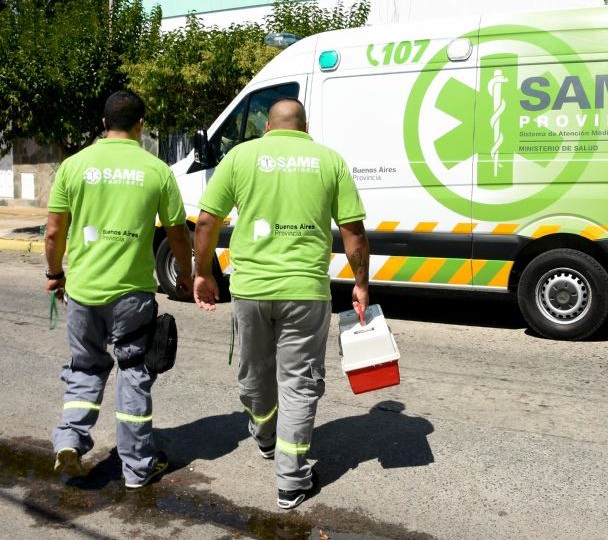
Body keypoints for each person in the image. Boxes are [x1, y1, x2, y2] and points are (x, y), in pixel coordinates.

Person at [193, 98, 369, 510]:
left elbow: (205, 221)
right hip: (306, 292)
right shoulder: (329, 160)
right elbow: (354, 233)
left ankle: (267, 436)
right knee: (298, 382)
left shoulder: (240, 157)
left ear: (267, 127)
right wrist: (361, 284)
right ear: (305, 127)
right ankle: (290, 482)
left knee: (254, 372)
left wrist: (202, 274)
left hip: (251, 289)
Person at [45, 90, 193, 489]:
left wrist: (56, 273)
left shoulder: (74, 166)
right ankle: (137, 468)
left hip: (83, 292)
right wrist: (186, 273)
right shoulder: (156, 170)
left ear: (103, 123)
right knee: (133, 373)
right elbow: (177, 233)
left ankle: (71, 441)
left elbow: (55, 231)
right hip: (133, 295)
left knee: (86, 369)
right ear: (141, 125)